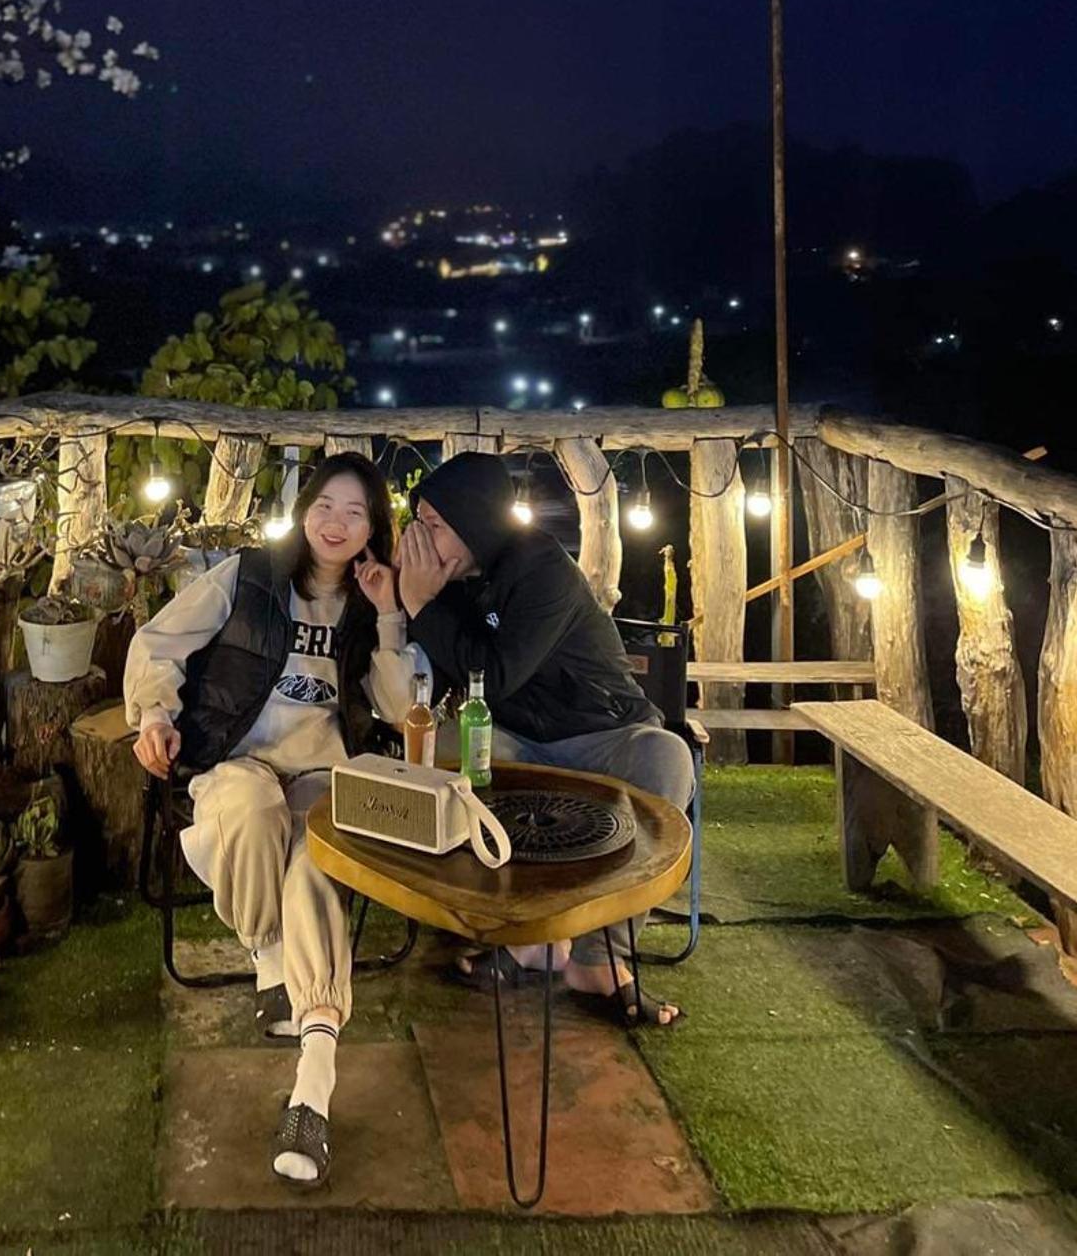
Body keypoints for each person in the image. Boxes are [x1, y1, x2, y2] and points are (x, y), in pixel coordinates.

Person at [124, 452, 426, 1186]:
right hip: (238, 762)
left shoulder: (373, 605)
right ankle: (269, 955)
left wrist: (389, 615)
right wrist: (155, 715)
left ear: (373, 529)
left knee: (317, 860)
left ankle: (314, 1083)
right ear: (303, 511)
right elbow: (158, 643)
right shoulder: (249, 577)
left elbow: (399, 709)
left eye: (355, 513)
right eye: (325, 506)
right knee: (255, 811)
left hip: (324, 776)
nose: (336, 524)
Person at [397, 450, 692, 1026]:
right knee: (447, 755)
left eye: (434, 525)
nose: (421, 541)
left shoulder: (540, 567)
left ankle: (599, 959)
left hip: (603, 731)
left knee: (668, 757)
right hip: (516, 737)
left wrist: (420, 603)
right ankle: (527, 938)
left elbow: (493, 673)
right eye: (419, 524)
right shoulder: (449, 580)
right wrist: (405, 601)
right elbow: (449, 673)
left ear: (475, 520)